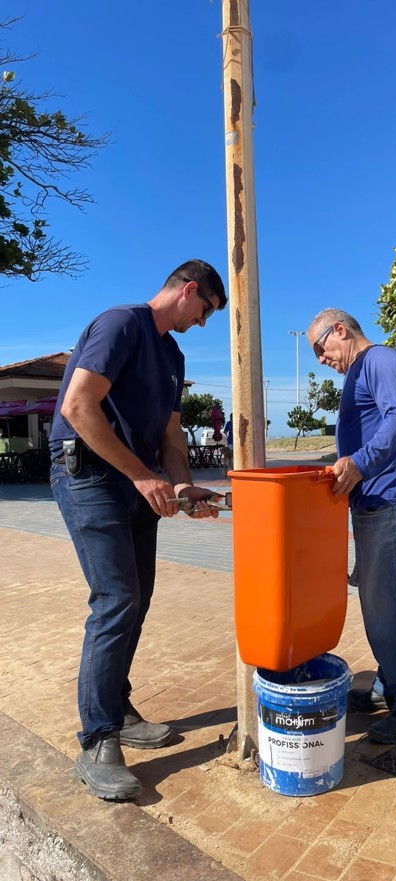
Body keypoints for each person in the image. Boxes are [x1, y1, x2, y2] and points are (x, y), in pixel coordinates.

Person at [50, 259, 227, 800]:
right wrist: (143, 476)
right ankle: (97, 739)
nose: (202, 323)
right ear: (188, 290)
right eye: (205, 310)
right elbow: (78, 407)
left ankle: (117, 708)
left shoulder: (172, 354)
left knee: (138, 597)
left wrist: (180, 487)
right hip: (89, 477)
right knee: (116, 599)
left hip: (134, 483)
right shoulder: (121, 324)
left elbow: (173, 437)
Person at [307, 309, 396, 744]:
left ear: (339, 330)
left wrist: (360, 464)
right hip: (379, 499)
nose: (320, 359)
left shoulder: (380, 360)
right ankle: (389, 685)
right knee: (385, 600)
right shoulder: (360, 370)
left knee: (390, 605)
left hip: (392, 498)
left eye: (319, 348)